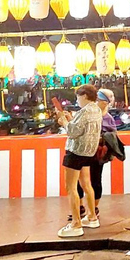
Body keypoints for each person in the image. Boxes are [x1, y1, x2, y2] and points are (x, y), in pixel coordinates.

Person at [56, 84, 103, 238]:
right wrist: (70, 119)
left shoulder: (84, 111)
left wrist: (63, 121)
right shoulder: (96, 109)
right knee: (86, 184)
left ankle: (76, 224)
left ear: (84, 96)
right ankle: (91, 217)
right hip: (89, 152)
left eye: (78, 97)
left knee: (71, 187)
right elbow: (81, 127)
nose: (77, 100)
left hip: (75, 152)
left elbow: (73, 132)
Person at [75, 88, 117, 221]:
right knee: (78, 180)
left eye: (98, 100)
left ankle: (94, 208)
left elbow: (113, 137)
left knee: (95, 180)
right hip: (83, 151)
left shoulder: (108, 118)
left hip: (98, 154)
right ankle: (81, 206)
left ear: (105, 103)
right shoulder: (87, 113)